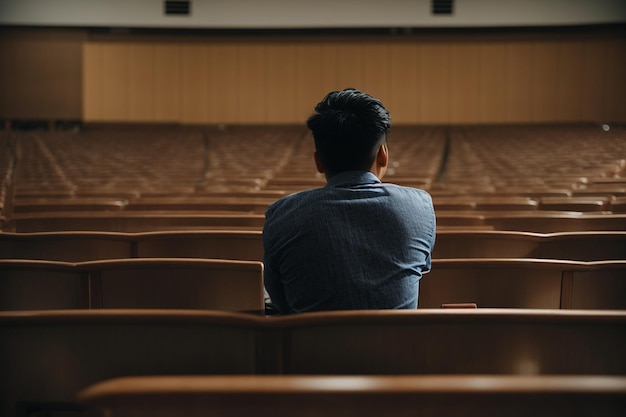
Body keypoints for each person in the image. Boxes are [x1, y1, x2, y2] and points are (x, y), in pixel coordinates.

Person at [263, 88, 436, 314]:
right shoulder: (419, 207)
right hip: (397, 348)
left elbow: (281, 300)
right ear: (383, 154)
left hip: (310, 348)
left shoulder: (282, 215)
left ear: (318, 162)